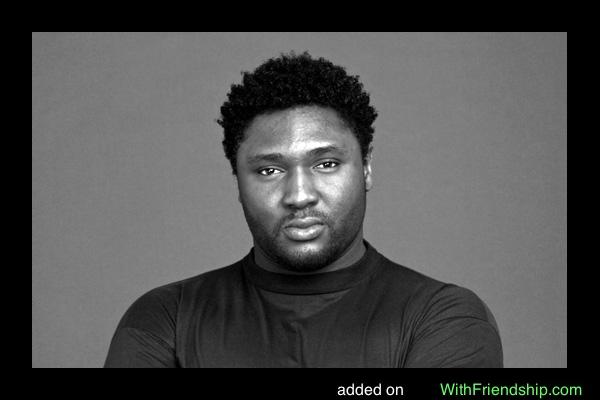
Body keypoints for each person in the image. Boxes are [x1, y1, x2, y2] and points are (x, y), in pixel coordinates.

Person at [104, 51, 503, 368]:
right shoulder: (166, 319)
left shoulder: (443, 318)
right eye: (269, 170)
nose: (299, 195)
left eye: (326, 164)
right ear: (238, 181)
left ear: (366, 168)